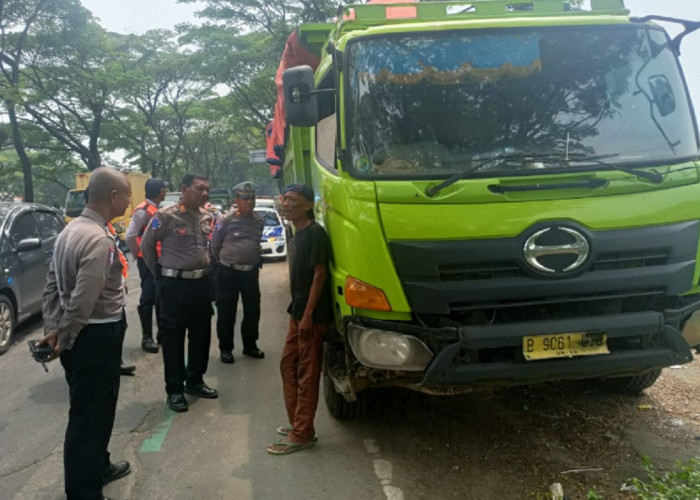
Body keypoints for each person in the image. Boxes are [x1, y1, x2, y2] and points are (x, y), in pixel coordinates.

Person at [37, 167, 133, 499]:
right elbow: (83, 299)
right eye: (127, 196)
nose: (128, 202)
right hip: (94, 338)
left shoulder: (72, 230)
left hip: (79, 336)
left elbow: (51, 285)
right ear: (113, 197)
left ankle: (99, 465)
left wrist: (54, 329)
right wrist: (65, 338)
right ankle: (84, 491)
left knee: (96, 411)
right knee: (88, 421)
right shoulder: (98, 239)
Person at [140, 173, 218, 412]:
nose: (204, 193)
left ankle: (195, 381)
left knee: (201, 334)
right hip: (173, 286)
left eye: (206, 189)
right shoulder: (166, 216)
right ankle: (174, 390)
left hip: (200, 284)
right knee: (173, 339)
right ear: (184, 189)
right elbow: (146, 246)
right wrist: (160, 275)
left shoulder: (207, 216)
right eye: (199, 188)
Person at [267, 184, 332, 456]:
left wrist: (307, 317)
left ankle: (303, 433)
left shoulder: (316, 233)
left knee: (307, 373)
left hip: (311, 316)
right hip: (298, 312)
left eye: (293, 200)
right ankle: (298, 423)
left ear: (307, 205)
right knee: (287, 364)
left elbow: (320, 274)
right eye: (285, 199)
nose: (286, 204)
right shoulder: (295, 232)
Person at [211, 181, 265, 364]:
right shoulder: (226, 220)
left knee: (252, 310)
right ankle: (226, 349)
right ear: (236, 200)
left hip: (250, 273)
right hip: (228, 273)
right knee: (227, 311)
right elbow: (214, 246)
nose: (249, 202)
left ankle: (250, 345)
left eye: (252, 198)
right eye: (245, 198)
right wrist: (224, 263)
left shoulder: (258, 221)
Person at [125, 178, 167, 354]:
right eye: (164, 189)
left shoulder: (157, 209)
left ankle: (162, 335)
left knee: (159, 296)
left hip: (158, 259)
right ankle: (147, 337)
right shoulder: (143, 211)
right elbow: (130, 235)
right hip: (147, 259)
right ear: (161, 192)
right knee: (148, 297)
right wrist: (136, 254)